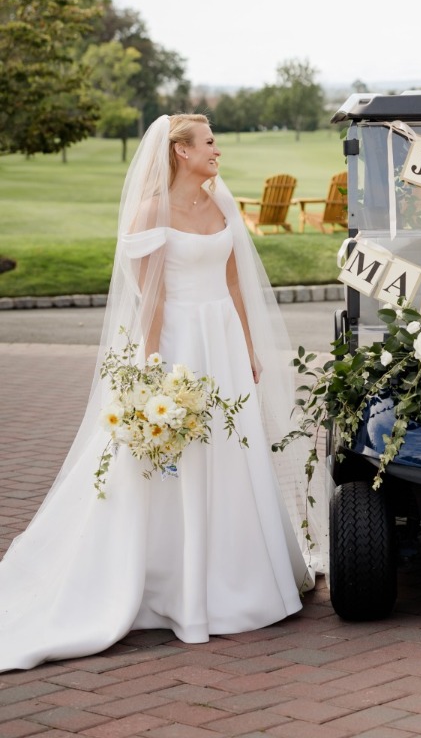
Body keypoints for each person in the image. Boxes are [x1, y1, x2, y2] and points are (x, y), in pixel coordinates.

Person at [0, 115, 320, 672]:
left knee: (231, 450)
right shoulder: (152, 212)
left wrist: (247, 347)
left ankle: (240, 579)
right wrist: (151, 368)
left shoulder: (220, 203)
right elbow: (149, 296)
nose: (218, 150)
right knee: (177, 453)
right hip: (177, 343)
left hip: (220, 337)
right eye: (210, 143)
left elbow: (235, 283)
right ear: (180, 153)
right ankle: (170, 586)